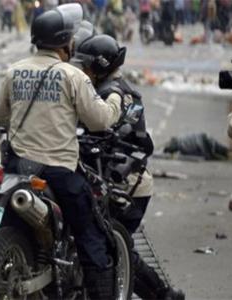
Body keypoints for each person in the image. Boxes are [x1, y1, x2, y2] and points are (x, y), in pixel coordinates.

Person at [0, 4, 123, 299]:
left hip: (17, 167)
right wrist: (115, 102)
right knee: (92, 236)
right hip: (58, 170)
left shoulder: (15, 71)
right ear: (66, 42)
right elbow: (99, 120)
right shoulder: (72, 76)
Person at [74, 33, 185, 300]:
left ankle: (164, 295)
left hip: (127, 185)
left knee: (113, 246)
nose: (83, 70)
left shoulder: (116, 94)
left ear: (101, 64)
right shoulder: (102, 90)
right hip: (106, 180)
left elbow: (111, 129)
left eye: (87, 65)